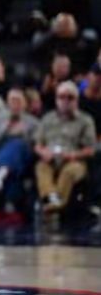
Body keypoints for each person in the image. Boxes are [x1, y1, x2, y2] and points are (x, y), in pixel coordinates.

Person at [34, 81, 96, 214]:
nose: (65, 101)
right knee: (41, 168)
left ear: (77, 100)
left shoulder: (85, 121)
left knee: (69, 171)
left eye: (70, 97)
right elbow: (38, 144)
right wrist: (43, 152)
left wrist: (72, 155)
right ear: (56, 99)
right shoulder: (47, 119)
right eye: (62, 97)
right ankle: (53, 200)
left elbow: (90, 150)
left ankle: (54, 205)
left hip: (74, 160)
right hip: (50, 159)